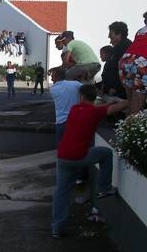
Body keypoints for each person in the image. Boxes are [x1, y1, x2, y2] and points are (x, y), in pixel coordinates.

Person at [51, 85, 128, 238]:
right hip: (81, 156)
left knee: (61, 192)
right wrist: (119, 100)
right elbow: (122, 106)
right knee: (106, 153)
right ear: (94, 97)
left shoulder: (74, 109)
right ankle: (104, 187)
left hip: (63, 156)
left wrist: (107, 102)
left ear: (81, 97)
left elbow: (96, 107)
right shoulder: (95, 112)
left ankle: (56, 228)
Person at [119, 11, 147, 115]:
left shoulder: (140, 31)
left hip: (125, 60)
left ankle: (126, 129)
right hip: (141, 62)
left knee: (131, 101)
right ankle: (132, 129)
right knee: (138, 100)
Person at [48, 67, 82, 146]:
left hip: (60, 122)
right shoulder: (75, 84)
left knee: (62, 148)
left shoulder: (52, 89)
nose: (51, 79)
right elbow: (87, 89)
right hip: (75, 120)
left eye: (52, 76)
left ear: (58, 77)